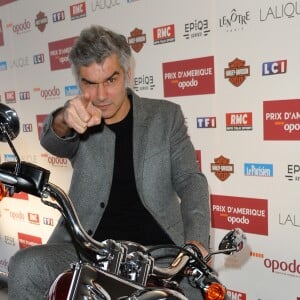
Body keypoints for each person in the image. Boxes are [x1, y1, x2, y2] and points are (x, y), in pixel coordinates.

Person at [8, 25, 210, 299]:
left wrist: (196, 241)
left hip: (159, 252)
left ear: (127, 73)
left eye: (111, 80)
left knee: (197, 292)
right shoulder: (78, 118)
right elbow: (53, 141)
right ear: (79, 82)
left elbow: (190, 179)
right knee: (25, 265)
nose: (101, 95)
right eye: (89, 83)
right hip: (87, 249)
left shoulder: (166, 116)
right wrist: (64, 119)